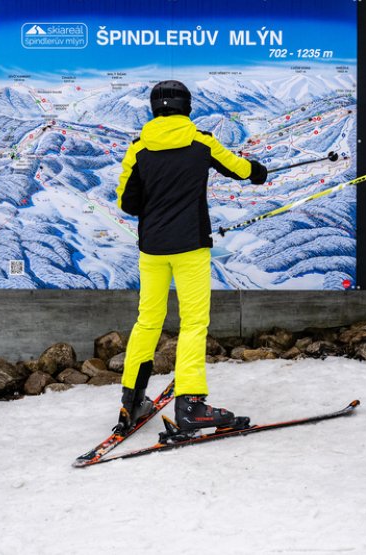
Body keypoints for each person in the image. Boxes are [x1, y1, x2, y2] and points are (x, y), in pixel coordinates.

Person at [115, 80, 268, 434]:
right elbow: (240, 169)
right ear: (187, 108)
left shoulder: (138, 149)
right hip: (191, 247)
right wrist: (258, 172)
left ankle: (133, 400)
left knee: (148, 322)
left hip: (152, 249)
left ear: (154, 109)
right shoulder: (201, 143)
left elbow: (128, 202)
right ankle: (190, 406)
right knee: (194, 323)